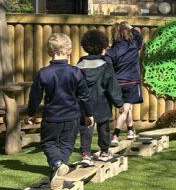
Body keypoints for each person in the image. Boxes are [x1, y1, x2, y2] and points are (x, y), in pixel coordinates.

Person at [25, 32, 93, 181]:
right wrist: (89, 114)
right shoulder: (76, 72)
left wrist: (31, 112)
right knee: (66, 145)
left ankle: (57, 164)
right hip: (72, 117)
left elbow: (35, 96)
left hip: (52, 117)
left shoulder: (44, 73)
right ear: (69, 51)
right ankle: (59, 169)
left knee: (48, 143)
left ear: (49, 51)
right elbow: (84, 96)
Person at [77, 29, 124, 159]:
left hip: (84, 104)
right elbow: (113, 87)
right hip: (102, 102)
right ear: (103, 47)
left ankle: (85, 154)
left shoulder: (79, 66)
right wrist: (119, 103)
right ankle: (104, 151)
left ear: (85, 46)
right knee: (104, 128)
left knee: (86, 128)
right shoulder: (106, 66)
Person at [106, 21, 143, 142]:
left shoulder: (111, 51)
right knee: (125, 109)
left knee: (128, 108)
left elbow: (108, 66)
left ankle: (131, 130)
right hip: (132, 82)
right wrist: (130, 27)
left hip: (117, 83)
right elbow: (139, 36)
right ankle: (115, 135)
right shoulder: (133, 45)